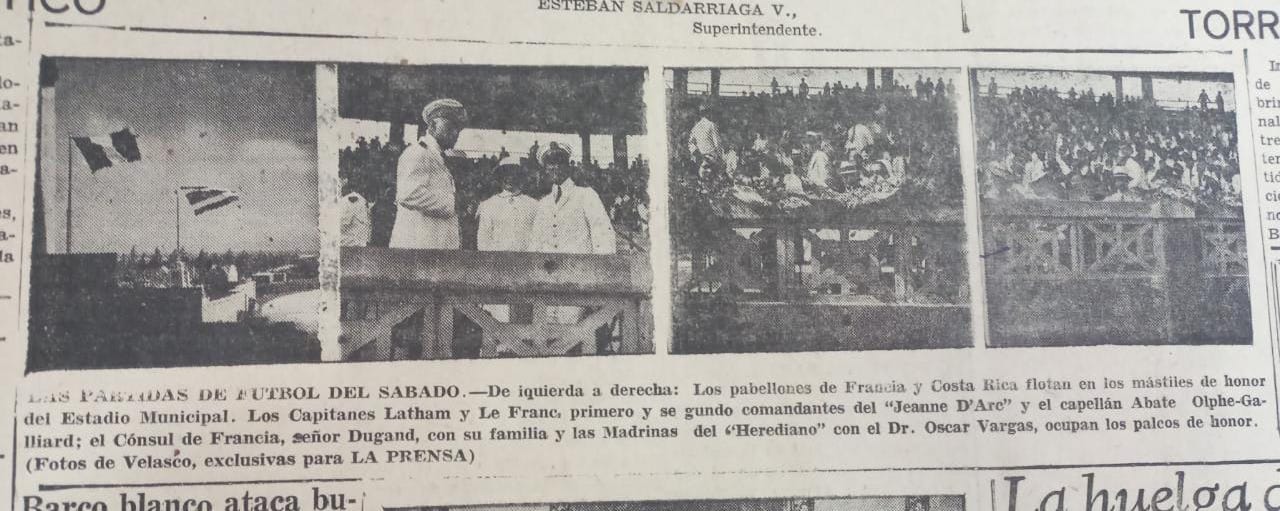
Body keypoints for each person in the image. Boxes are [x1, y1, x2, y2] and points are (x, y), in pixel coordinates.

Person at [389, 99, 468, 249]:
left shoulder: (436, 156)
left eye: (458, 129)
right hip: (417, 250)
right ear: (432, 125)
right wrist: (453, 203)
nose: (456, 133)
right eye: (450, 127)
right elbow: (408, 194)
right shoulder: (417, 152)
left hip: (431, 249)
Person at [529, 145, 616, 255]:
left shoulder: (586, 195)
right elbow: (535, 242)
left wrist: (600, 267)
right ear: (545, 170)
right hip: (548, 269)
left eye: (560, 163)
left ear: (568, 167)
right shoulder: (544, 203)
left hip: (579, 268)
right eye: (550, 164)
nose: (555, 167)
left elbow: (603, 233)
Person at [476, 156, 538, 252]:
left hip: (526, 261)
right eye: (505, 174)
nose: (509, 178)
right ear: (500, 177)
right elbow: (483, 241)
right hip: (497, 261)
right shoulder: (488, 205)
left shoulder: (533, 205)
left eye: (513, 173)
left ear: (520, 176)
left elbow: (538, 237)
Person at [340, 178, 372, 247]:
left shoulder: (347, 200)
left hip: (348, 242)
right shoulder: (363, 201)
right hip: (361, 242)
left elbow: (344, 223)